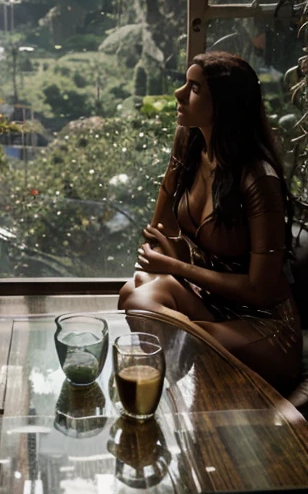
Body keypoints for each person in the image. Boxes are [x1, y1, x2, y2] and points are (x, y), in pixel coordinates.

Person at [118, 51, 302, 394]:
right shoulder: (189, 143)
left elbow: (260, 290)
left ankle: (175, 390)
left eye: (194, 88)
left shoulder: (257, 178)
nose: (178, 94)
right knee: (134, 291)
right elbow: (160, 231)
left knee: (146, 306)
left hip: (262, 324)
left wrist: (176, 266)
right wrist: (173, 256)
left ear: (225, 105)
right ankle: (187, 382)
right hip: (213, 304)